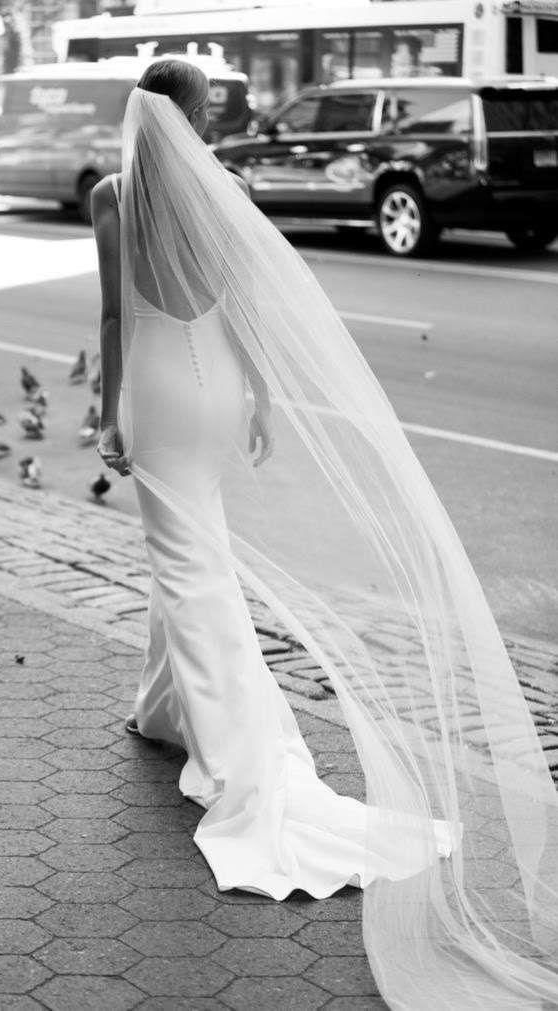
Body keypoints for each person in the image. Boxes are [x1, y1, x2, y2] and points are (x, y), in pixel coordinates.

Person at [91, 60, 558, 1009]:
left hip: (156, 391)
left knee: (190, 571)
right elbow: (248, 311)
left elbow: (111, 318)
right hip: (213, 390)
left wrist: (109, 414)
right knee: (192, 558)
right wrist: (258, 398)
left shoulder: (111, 197)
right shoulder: (220, 192)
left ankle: (234, 761)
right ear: (193, 118)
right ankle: (161, 708)